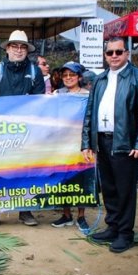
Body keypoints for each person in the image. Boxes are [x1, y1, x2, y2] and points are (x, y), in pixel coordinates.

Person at [81, 36, 138, 253]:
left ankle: (125, 233)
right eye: (110, 52)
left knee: (125, 190)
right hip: (102, 141)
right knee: (110, 188)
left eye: (118, 52)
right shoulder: (100, 79)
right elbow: (89, 113)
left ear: (127, 53)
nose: (114, 56)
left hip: (125, 143)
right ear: (105, 56)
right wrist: (87, 142)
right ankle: (112, 227)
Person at [0, 29, 45, 227]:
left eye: (22, 47)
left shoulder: (35, 72)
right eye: (15, 46)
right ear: (7, 48)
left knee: (25, 171)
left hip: (26, 132)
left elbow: (40, 102)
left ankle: (24, 211)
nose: (18, 50)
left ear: (27, 50)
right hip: (0, 132)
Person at [51, 62, 90, 231]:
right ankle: (66, 214)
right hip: (61, 143)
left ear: (79, 77)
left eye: (72, 75)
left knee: (82, 178)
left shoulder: (87, 95)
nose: (68, 78)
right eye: (65, 75)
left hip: (81, 142)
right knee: (63, 179)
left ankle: (81, 216)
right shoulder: (57, 94)